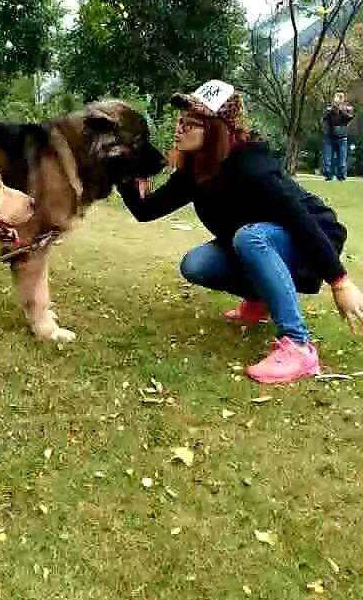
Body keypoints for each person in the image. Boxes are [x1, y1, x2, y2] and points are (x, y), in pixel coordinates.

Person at [118, 80, 363, 385]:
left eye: (190, 124)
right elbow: (146, 211)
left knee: (250, 237)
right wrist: (127, 175)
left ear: (216, 130)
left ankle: (299, 346)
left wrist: (340, 281)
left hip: (311, 235)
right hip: (258, 240)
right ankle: (259, 299)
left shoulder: (252, 165)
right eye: (180, 122)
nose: (179, 129)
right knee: (197, 264)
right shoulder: (197, 168)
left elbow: (301, 220)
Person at [322, 92, 354, 181]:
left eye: (339, 100)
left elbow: (349, 118)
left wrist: (341, 110)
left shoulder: (348, 109)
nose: (337, 103)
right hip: (330, 137)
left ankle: (342, 176)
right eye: (336, 100)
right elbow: (324, 118)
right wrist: (331, 111)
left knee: (342, 160)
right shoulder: (330, 110)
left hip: (342, 137)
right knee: (328, 159)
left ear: (342, 100)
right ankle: (329, 175)